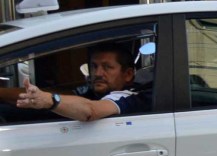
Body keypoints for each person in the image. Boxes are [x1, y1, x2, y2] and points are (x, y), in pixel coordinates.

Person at [14, 43, 149, 121]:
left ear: (128, 74)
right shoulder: (91, 91)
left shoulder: (130, 96)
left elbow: (90, 110)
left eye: (107, 67)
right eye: (94, 66)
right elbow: (64, 94)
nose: (97, 73)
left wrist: (48, 100)